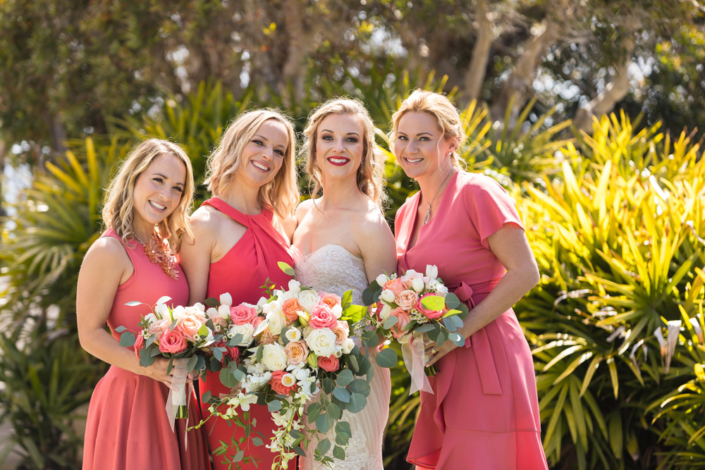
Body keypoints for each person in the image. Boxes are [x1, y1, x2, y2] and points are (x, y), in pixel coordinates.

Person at [391, 90, 548, 469]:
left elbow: (526, 272)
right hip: (441, 362)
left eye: (424, 138)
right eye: (402, 137)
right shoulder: (405, 212)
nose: (410, 148)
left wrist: (459, 331)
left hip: (486, 356)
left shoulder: (477, 192)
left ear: (451, 143)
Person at [78, 139, 210, 470]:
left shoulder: (168, 247)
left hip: (178, 397)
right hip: (131, 399)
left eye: (177, 188)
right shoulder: (109, 251)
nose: (166, 195)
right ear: (134, 178)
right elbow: (89, 334)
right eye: (158, 180)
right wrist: (146, 367)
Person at [179, 109, 299, 470]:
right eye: (259, 142)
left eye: (279, 151)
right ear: (236, 144)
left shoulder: (283, 220)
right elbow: (192, 317)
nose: (268, 156)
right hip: (228, 387)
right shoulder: (204, 223)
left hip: (284, 387)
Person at [292, 98, 396, 470]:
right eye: (328, 137)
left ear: (365, 151)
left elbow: (386, 320)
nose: (338, 147)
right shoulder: (302, 212)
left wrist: (335, 338)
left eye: (351, 139)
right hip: (300, 375)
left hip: (353, 380)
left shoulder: (370, 224)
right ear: (314, 147)